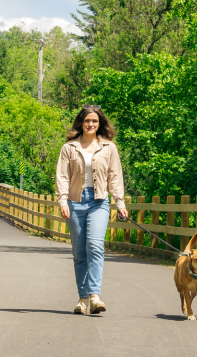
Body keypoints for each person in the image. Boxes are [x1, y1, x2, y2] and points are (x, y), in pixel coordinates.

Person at [56, 104, 127, 315]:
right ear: (81, 123)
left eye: (94, 121)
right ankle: (82, 298)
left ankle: (95, 296)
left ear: (100, 124)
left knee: (95, 246)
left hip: (98, 201)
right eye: (87, 121)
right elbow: (62, 176)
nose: (90, 124)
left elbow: (115, 177)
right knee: (79, 253)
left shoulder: (108, 147)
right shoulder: (69, 148)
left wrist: (120, 203)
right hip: (75, 202)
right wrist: (62, 201)